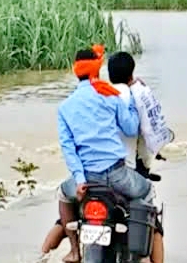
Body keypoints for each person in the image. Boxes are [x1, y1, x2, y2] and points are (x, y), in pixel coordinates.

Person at [41, 52, 165, 263]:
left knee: (63, 194)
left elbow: (68, 148)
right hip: (118, 174)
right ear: (97, 70)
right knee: (147, 190)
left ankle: (74, 251)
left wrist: (80, 179)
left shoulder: (65, 107)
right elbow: (131, 127)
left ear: (76, 71)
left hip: (86, 181)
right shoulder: (109, 95)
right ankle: (143, 252)